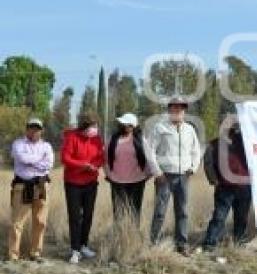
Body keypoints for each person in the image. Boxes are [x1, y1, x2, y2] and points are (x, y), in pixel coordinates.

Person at [148, 97, 202, 256]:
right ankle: (153, 243)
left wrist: (193, 168)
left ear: (184, 111)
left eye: (181, 108)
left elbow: (196, 151)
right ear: (169, 110)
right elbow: (150, 151)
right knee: (160, 211)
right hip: (164, 177)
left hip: (183, 176)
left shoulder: (189, 129)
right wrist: (157, 172)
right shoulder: (160, 128)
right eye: (174, 108)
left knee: (182, 211)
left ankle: (181, 244)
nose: (178, 111)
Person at [8, 118, 53, 262]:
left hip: (41, 185)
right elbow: (22, 158)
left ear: (41, 130)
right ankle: (13, 255)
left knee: (40, 221)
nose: (34, 131)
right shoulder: (18, 144)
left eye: (37, 128)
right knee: (18, 222)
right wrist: (39, 160)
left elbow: (49, 164)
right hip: (22, 185)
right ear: (26, 129)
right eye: (31, 127)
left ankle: (35, 253)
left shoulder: (46, 146)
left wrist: (32, 162)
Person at [61, 112, 105, 264]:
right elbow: (65, 158)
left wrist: (95, 166)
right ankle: (75, 250)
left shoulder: (97, 139)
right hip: (73, 183)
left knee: (88, 216)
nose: (95, 129)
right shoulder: (72, 137)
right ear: (84, 127)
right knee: (75, 217)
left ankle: (83, 245)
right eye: (93, 126)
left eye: (96, 126)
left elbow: (101, 156)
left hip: (91, 183)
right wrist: (83, 165)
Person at [202, 122, 252, 250]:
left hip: (244, 186)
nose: (232, 130)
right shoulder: (214, 144)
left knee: (242, 217)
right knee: (219, 216)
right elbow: (208, 163)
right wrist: (214, 180)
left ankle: (238, 242)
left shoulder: (248, 142)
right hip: (224, 188)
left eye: (234, 128)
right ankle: (210, 242)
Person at [105, 113, 152, 224]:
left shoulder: (141, 140)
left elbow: (149, 158)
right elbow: (105, 159)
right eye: (121, 123)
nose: (122, 125)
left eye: (126, 124)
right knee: (118, 214)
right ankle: (119, 238)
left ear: (133, 126)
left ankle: (133, 237)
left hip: (137, 182)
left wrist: (148, 174)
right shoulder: (112, 140)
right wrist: (109, 174)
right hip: (117, 182)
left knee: (135, 213)